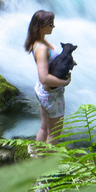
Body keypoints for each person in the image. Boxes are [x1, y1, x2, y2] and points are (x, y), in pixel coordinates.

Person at [24, 9, 71, 143]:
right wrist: (65, 82)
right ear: (40, 26)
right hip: (51, 94)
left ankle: (39, 157)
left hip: (45, 91)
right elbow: (44, 78)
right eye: (50, 24)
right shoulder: (41, 48)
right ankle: (47, 163)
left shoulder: (40, 42)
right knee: (54, 133)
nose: (53, 27)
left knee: (44, 128)